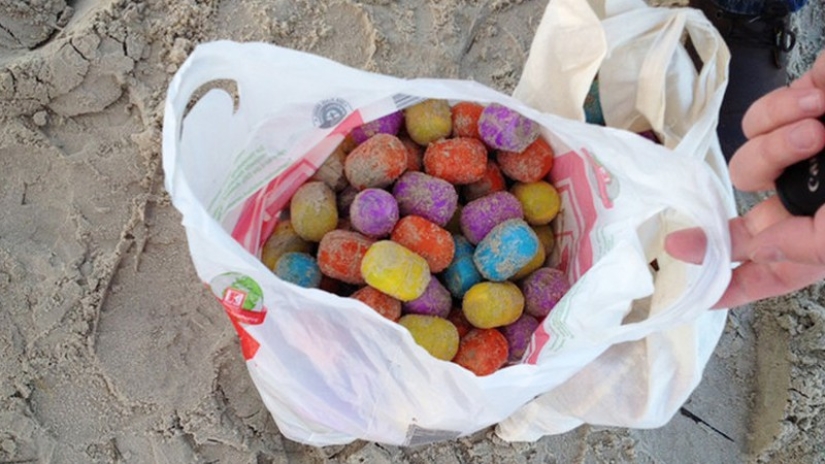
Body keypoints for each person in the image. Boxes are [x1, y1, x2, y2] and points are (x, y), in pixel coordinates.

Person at [665, 49, 825, 308]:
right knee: (742, 142)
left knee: (738, 144)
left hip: (798, 182)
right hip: (799, 169)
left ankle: (751, 15)